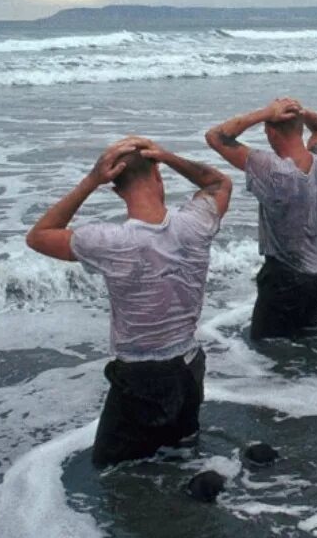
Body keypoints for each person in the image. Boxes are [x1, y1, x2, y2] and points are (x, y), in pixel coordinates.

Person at [26, 137, 232, 470]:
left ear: (117, 189)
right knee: (180, 457)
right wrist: (165, 156)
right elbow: (218, 182)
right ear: (159, 176)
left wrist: (92, 180)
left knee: (112, 471)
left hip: (140, 379)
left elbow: (39, 235)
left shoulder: (107, 241)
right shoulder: (196, 223)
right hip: (189, 367)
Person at [205, 97, 317, 339]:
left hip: (284, 275)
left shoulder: (272, 169)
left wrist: (264, 113)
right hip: (316, 273)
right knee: (304, 340)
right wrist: (299, 110)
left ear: (271, 132)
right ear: (299, 129)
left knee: (267, 351)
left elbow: (215, 136)